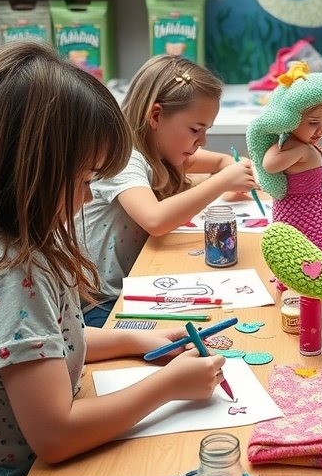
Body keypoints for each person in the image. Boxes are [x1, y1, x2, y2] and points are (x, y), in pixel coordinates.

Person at [0, 42, 227, 476]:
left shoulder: (33, 245)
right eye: (80, 179)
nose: (84, 196)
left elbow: (50, 344)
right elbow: (56, 436)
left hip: (38, 468)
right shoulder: (14, 273)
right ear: (28, 172)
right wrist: (169, 386)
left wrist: (137, 341)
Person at [79, 54, 258, 326]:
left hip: (132, 288)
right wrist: (222, 181)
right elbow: (156, 220)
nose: (202, 140)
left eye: (206, 130)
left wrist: (229, 167)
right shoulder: (122, 157)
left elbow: (221, 162)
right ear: (156, 115)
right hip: (99, 305)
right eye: (196, 129)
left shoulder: (157, 151)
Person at [245, 61, 322, 277]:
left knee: (315, 258)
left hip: (313, 213)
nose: (321, 129)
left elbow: (271, 163)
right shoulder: (295, 147)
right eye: (313, 122)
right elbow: (268, 165)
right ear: (291, 119)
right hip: (299, 214)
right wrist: (291, 145)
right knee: (303, 259)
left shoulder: (303, 147)